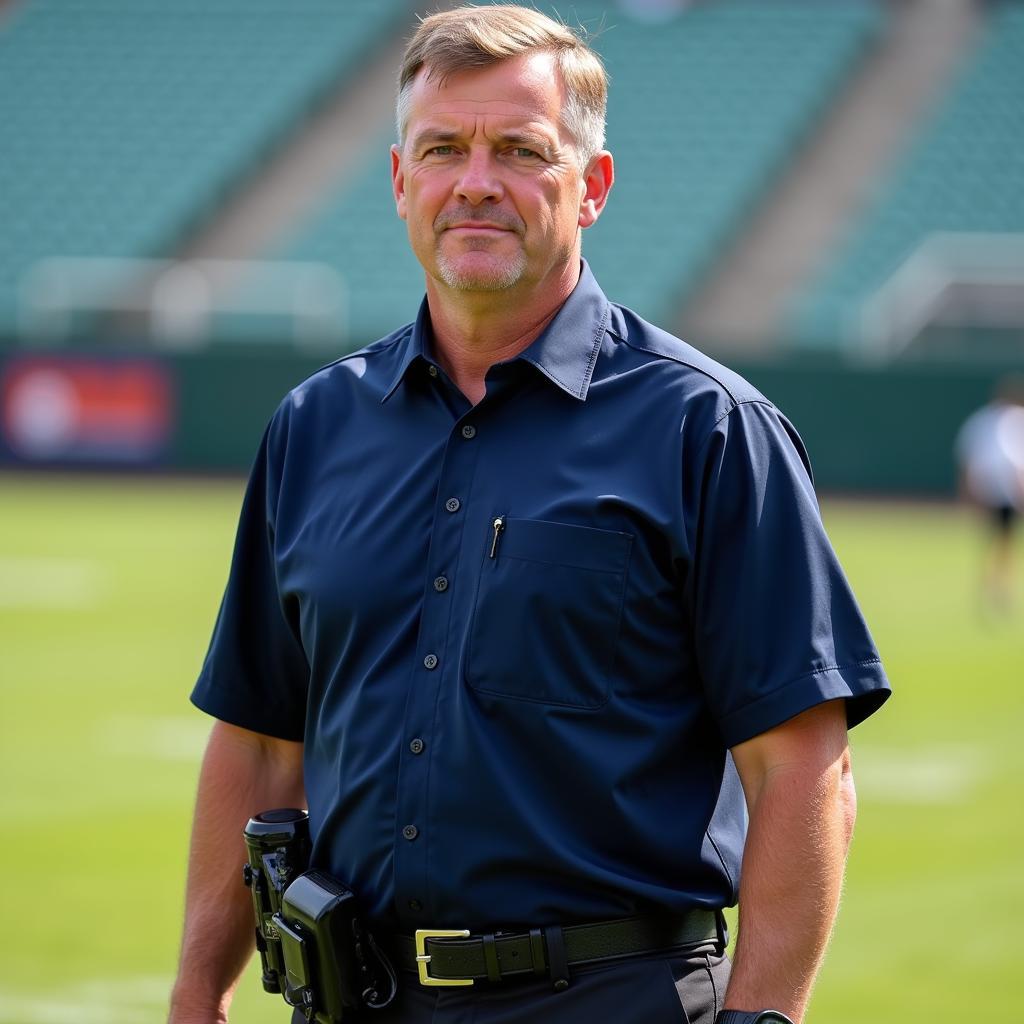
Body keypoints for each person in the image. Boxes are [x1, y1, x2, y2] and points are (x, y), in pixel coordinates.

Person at [168, 6, 890, 1024]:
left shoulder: (709, 428)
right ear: (399, 179)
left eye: (519, 151)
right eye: (444, 149)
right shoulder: (314, 426)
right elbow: (258, 742)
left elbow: (801, 762)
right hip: (346, 998)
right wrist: (199, 989)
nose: (475, 182)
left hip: (610, 998)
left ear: (588, 186)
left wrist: (760, 1016)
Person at [954, 376, 1024, 610]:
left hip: (1000, 492)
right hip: (999, 492)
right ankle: (994, 588)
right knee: (999, 541)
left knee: (1002, 542)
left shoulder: (1007, 419)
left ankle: (997, 587)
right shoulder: (996, 421)